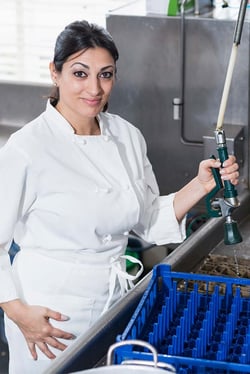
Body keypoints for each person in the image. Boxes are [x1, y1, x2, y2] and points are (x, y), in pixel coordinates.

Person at [0, 20, 239, 374]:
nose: (94, 88)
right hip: (48, 314)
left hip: (114, 304)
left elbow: (148, 220)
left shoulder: (127, 136)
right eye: (80, 73)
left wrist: (202, 185)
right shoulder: (27, 148)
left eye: (105, 74)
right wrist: (20, 314)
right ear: (56, 73)